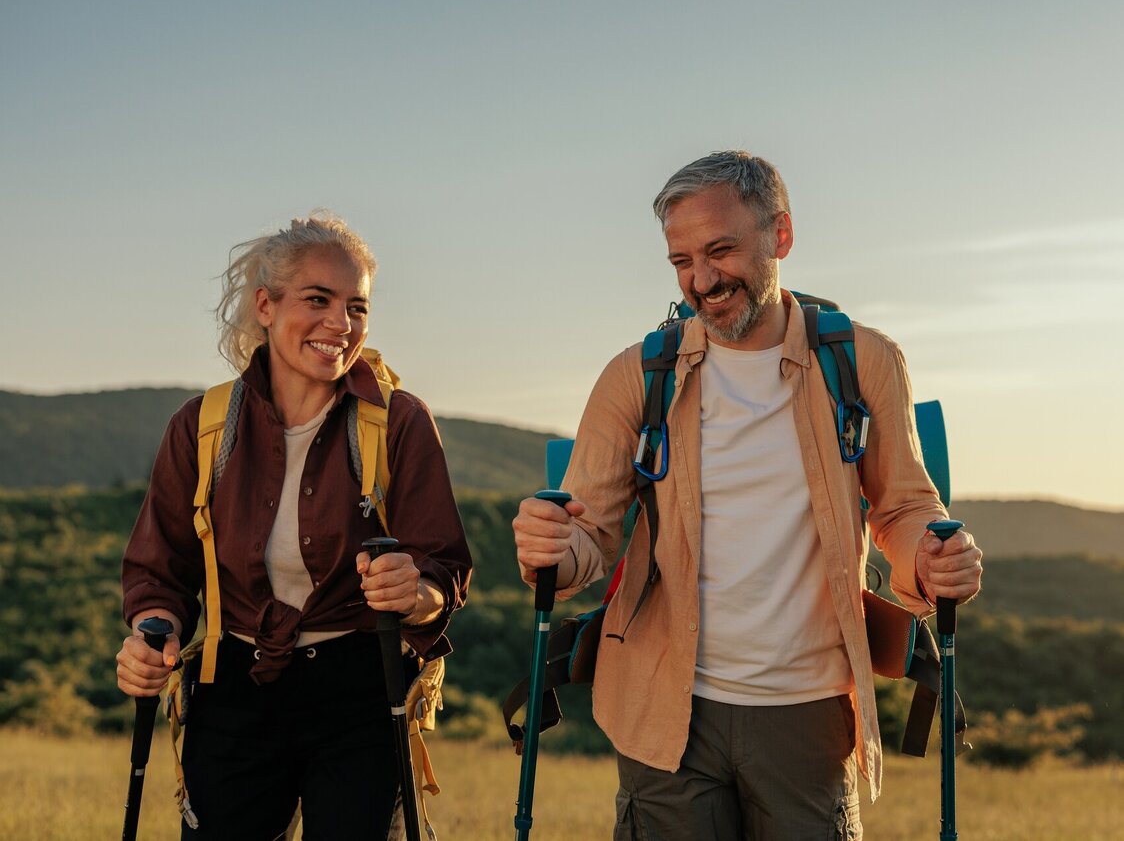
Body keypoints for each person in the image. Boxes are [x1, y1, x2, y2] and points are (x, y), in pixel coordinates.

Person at [512, 151, 983, 840]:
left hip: (808, 711)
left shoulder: (862, 360)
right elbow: (591, 538)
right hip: (662, 711)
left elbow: (905, 509)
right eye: (681, 261)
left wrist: (932, 562)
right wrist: (551, 548)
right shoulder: (636, 375)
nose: (701, 281)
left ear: (780, 235)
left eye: (721, 251)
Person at [116, 213, 472, 840]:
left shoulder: (399, 422)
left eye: (357, 307)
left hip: (361, 690)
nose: (341, 324)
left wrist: (414, 593)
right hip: (233, 688)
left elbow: (442, 569)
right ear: (266, 306)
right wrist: (154, 634)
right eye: (318, 300)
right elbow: (160, 570)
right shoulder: (201, 426)